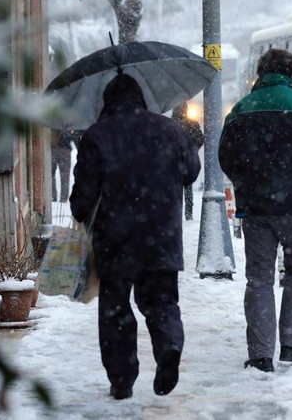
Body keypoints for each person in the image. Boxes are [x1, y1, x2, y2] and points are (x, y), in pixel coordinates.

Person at [70, 72, 201, 400]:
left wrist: (83, 210)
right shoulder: (169, 129)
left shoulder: (97, 135)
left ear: (106, 102)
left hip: (115, 240)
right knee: (161, 301)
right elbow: (191, 172)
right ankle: (169, 344)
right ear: (143, 97)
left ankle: (122, 379)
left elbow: (82, 198)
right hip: (162, 236)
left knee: (115, 309)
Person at [218, 49, 292, 373]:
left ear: (261, 72)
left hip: (255, 208)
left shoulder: (243, 108)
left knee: (258, 279)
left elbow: (225, 155)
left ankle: (260, 355)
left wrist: (246, 182)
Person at [171, 102, 205, 220]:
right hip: (187, 160)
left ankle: (176, 212)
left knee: (174, 188)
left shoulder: (170, 125)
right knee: (188, 188)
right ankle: (188, 213)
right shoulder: (192, 124)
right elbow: (201, 138)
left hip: (173, 161)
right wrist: (192, 149)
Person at [50, 128, 79, 202]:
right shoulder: (68, 122)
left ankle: (55, 196)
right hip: (63, 149)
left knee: (52, 174)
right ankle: (61, 197)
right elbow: (74, 135)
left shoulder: (53, 121)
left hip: (55, 148)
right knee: (63, 175)